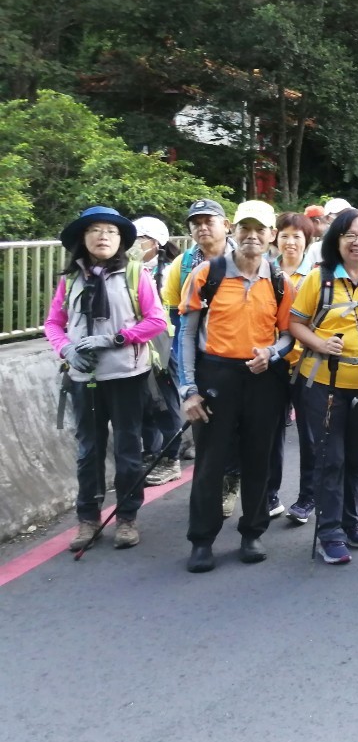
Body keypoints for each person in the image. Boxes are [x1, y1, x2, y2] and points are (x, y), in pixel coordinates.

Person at [178, 201, 295, 572]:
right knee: (210, 462)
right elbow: (186, 335)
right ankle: (202, 539)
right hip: (216, 376)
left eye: (260, 229)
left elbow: (289, 335)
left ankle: (252, 532)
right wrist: (188, 389)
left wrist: (272, 354)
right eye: (245, 228)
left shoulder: (279, 281)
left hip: (262, 378)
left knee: (258, 457)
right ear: (233, 230)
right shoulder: (205, 274)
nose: (252, 236)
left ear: (270, 235)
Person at [44, 207, 167, 552]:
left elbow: (156, 321)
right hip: (84, 378)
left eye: (111, 232)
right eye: (95, 231)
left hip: (127, 376)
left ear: (121, 240)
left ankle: (127, 517)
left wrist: (116, 338)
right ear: (82, 239)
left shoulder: (134, 274)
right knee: (88, 451)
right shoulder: (70, 280)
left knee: (128, 450)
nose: (103, 237)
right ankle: (88, 519)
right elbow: (53, 324)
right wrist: (67, 349)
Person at [288, 207, 358, 565]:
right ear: (336, 240)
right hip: (325, 383)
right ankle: (330, 531)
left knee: (356, 456)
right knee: (331, 458)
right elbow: (295, 323)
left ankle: (352, 522)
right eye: (350, 235)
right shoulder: (318, 279)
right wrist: (320, 344)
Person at [162, 198, 236, 490]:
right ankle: (211, 487)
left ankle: (234, 480)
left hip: (240, 357)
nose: (202, 227)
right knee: (207, 425)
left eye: (209, 221)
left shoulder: (247, 261)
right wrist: (187, 377)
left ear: (226, 226)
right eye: (196, 223)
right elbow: (177, 321)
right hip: (202, 358)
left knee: (240, 429)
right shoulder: (182, 265)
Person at [271, 212, 316, 523]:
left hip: (305, 364)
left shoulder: (315, 277)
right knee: (269, 433)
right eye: (284, 235)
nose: (290, 241)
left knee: (309, 434)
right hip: (271, 365)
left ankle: (307, 497)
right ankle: (269, 493)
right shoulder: (264, 273)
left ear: (307, 242)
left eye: (297, 236)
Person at [133, 216, 183, 487]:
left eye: (140, 240)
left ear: (155, 243)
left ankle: (170, 457)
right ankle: (151, 452)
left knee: (164, 400)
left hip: (165, 343)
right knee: (144, 401)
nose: (135, 245)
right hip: (139, 343)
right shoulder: (132, 269)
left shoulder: (170, 270)